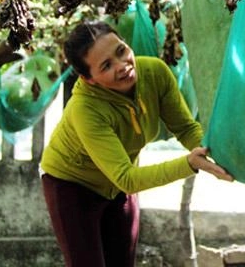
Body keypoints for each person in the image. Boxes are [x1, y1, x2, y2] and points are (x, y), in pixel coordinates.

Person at [40, 20, 233, 267]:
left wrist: (219, 154)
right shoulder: (85, 109)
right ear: (89, 79)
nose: (123, 66)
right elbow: (127, 178)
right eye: (106, 65)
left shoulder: (155, 73)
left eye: (121, 51)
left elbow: (185, 128)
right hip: (72, 187)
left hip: (118, 184)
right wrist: (190, 164)